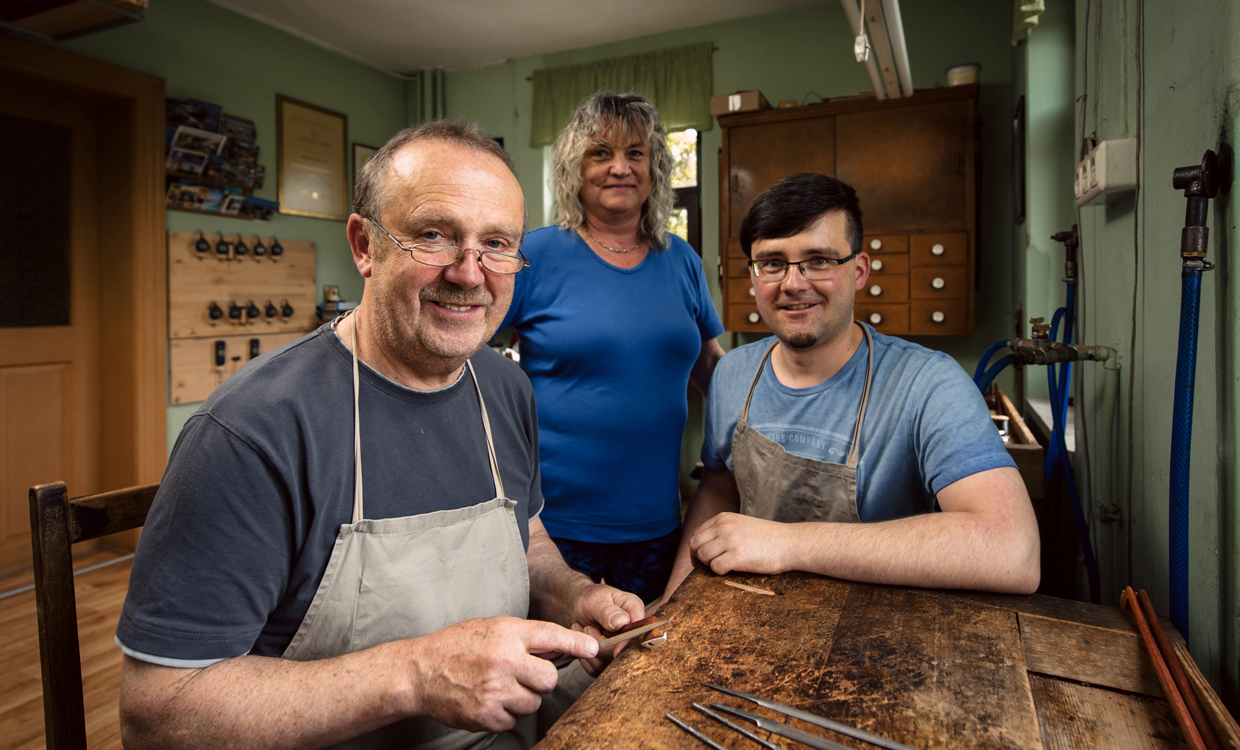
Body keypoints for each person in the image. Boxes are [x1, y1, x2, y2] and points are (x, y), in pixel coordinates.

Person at [116, 120, 645, 750]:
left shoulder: (506, 390)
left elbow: (523, 537)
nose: (470, 273)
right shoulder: (254, 429)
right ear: (365, 245)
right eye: (433, 235)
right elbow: (155, 714)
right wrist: (415, 676)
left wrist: (575, 594)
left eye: (496, 244)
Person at [662, 172, 1040, 601]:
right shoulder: (733, 375)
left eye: (819, 260)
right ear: (753, 275)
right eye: (772, 262)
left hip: (881, 634)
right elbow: (718, 486)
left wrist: (788, 543)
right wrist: (674, 601)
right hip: (753, 623)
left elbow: (1014, 549)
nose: (792, 283)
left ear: (859, 271)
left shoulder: (927, 384)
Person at [499, 91, 725, 603]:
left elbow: (712, 366)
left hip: (657, 517)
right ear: (575, 169)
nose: (619, 168)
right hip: (553, 523)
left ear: (655, 168)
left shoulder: (681, 259)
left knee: (647, 656)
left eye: (635, 153)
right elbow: (466, 351)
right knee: (550, 668)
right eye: (600, 153)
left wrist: (749, 438)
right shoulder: (535, 254)